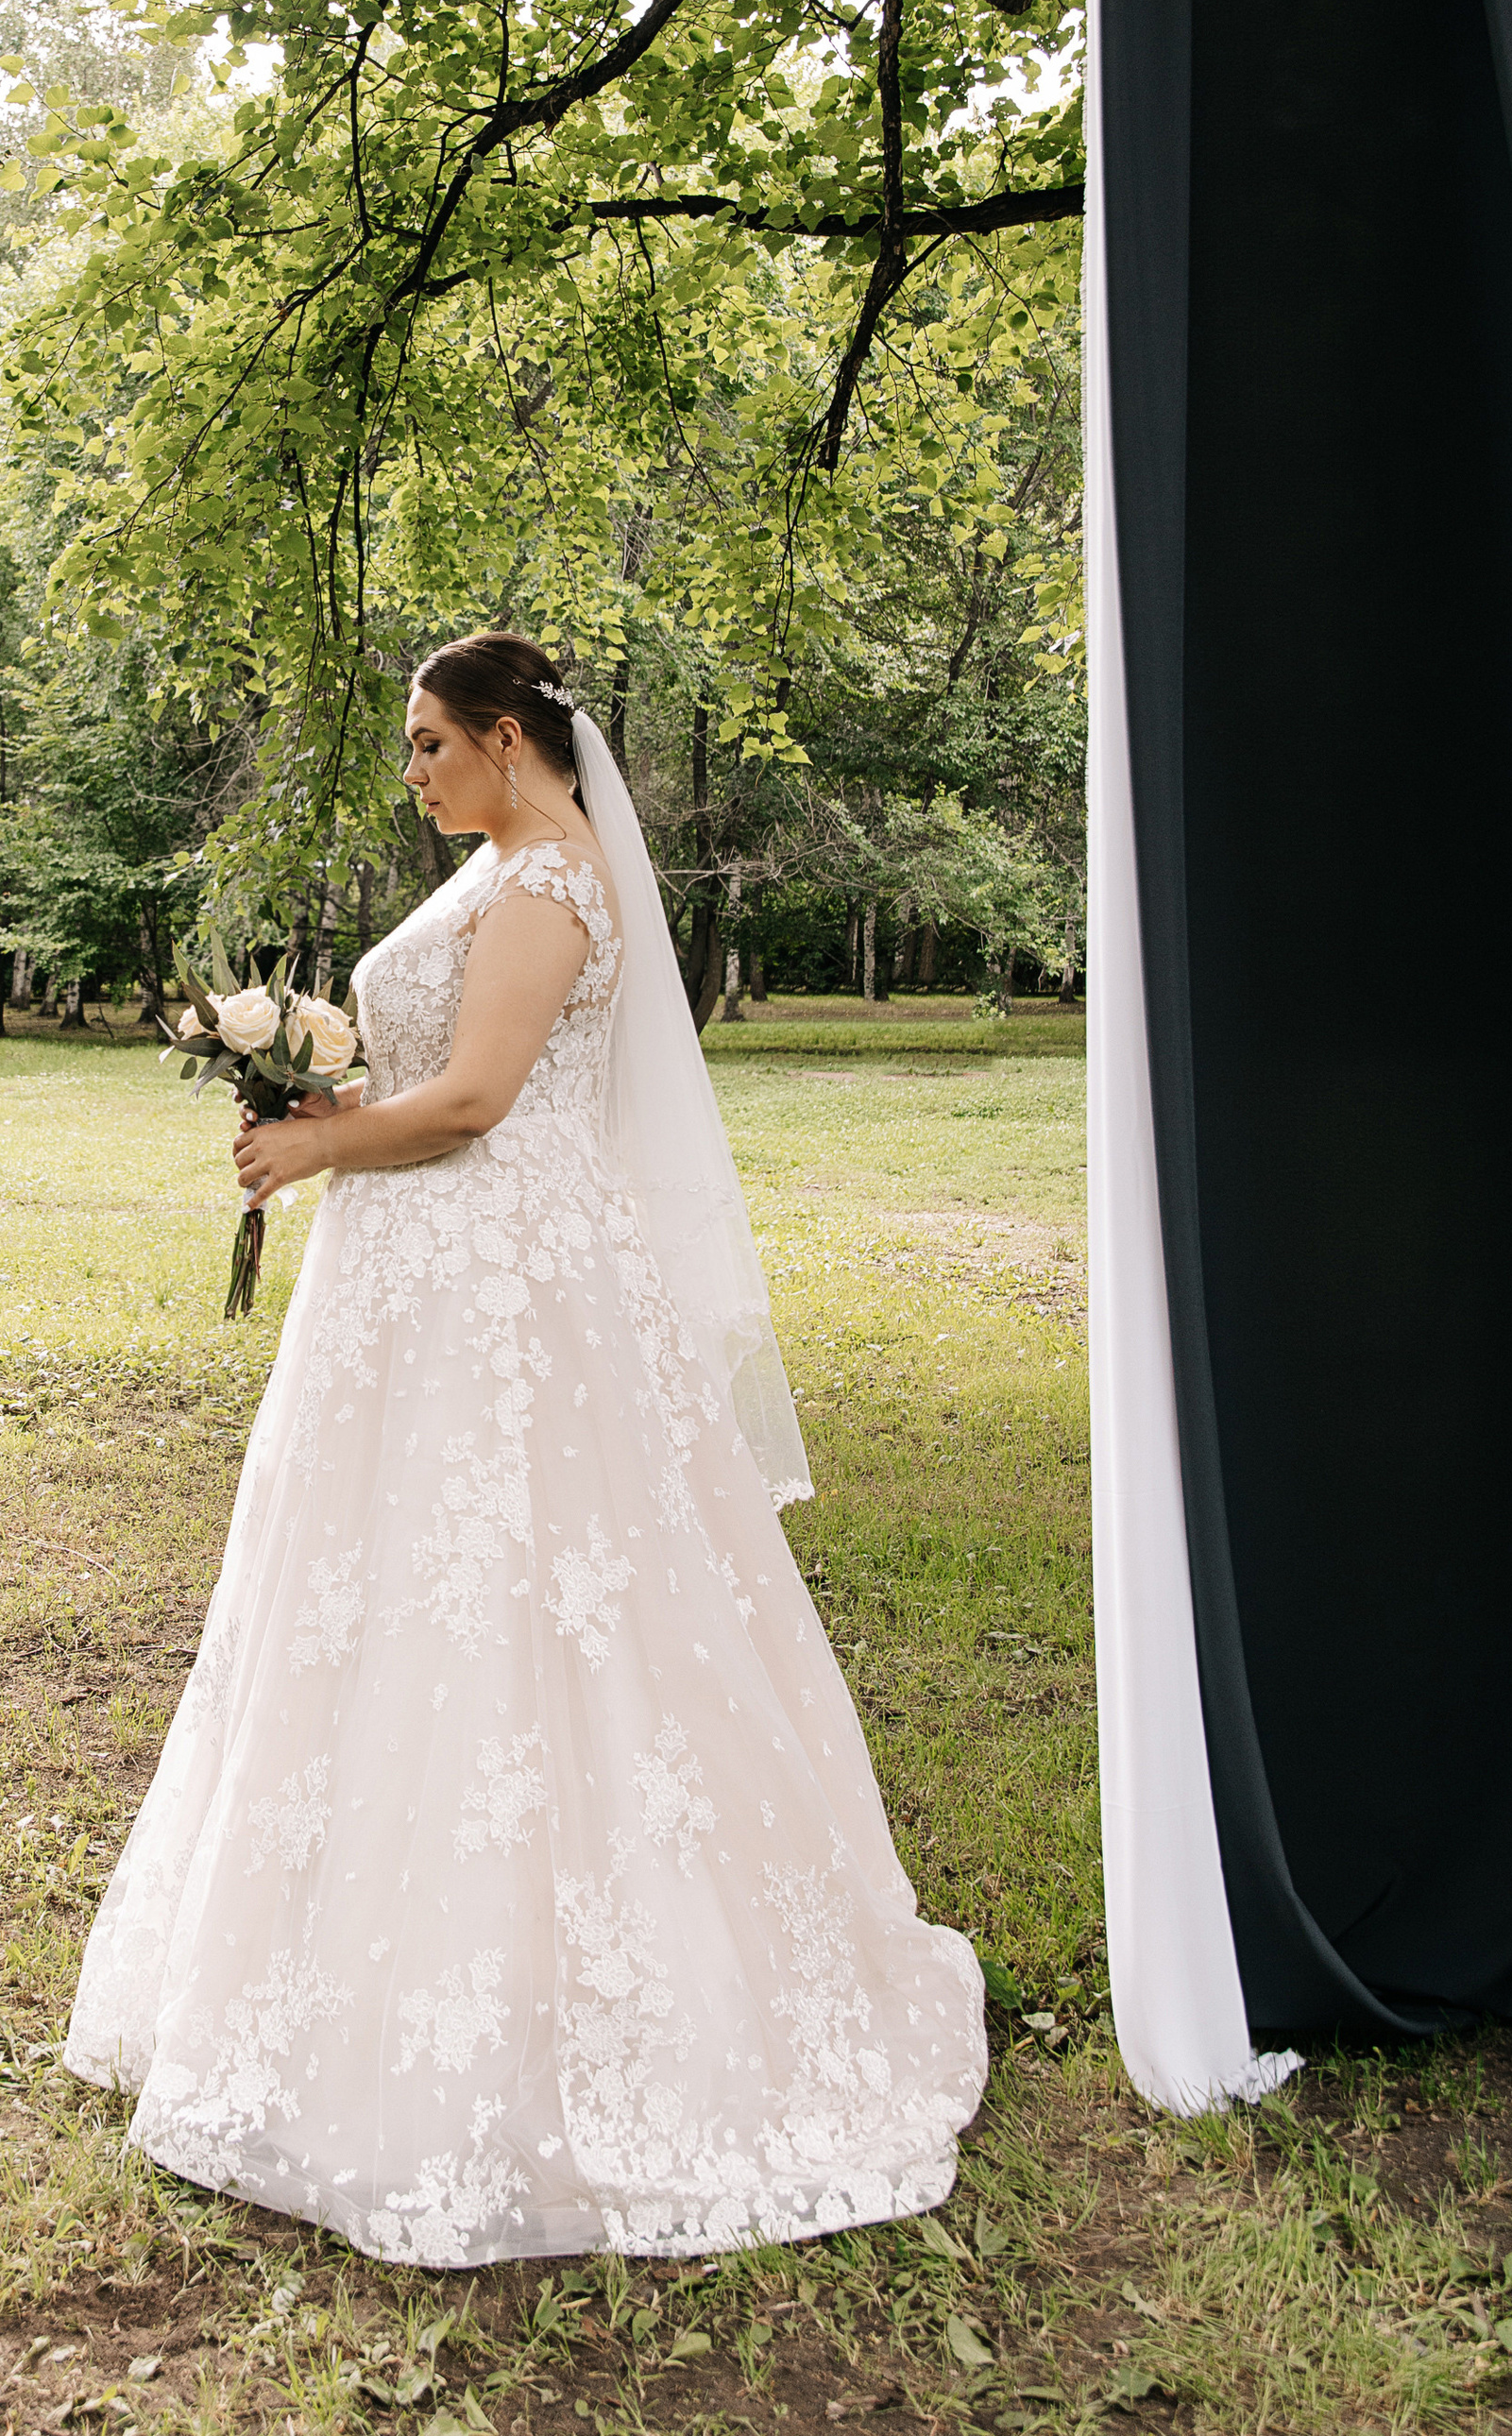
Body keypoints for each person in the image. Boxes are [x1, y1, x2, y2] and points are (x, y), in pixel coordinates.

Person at [63, 632, 985, 2263]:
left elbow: (482, 1096)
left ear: (504, 736)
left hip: (505, 1284)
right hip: (421, 1278)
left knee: (543, 1600)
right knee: (383, 1599)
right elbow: (426, 1054)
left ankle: (596, 2007)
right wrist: (307, 1053)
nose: (411, 771)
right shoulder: (495, 868)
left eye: (429, 744)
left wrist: (308, 1140)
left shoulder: (553, 884)